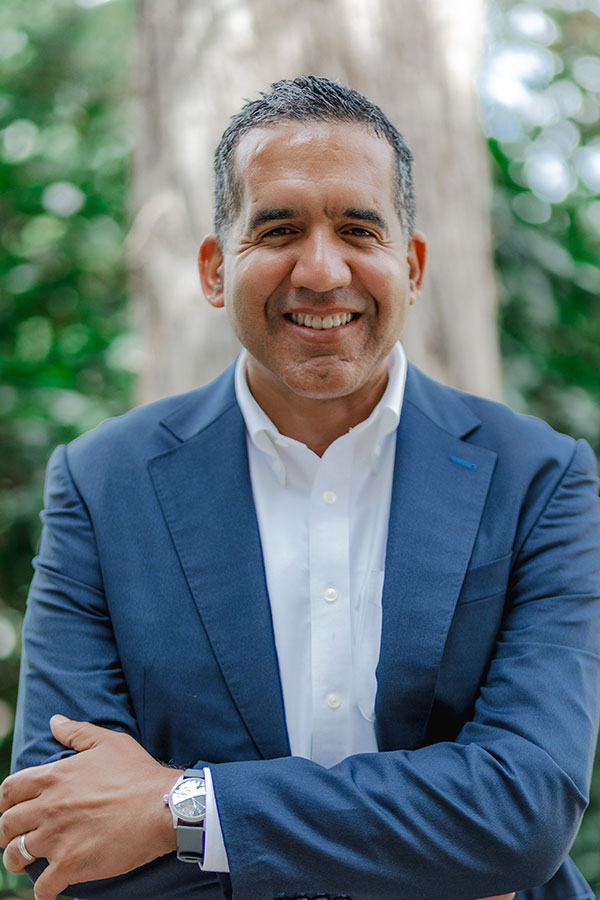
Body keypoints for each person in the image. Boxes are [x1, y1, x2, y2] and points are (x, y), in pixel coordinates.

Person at [0, 75, 599, 900]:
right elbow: (58, 830)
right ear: (215, 269)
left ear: (411, 266)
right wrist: (435, 862)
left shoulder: (542, 478)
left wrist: (180, 808)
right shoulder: (104, 485)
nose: (320, 271)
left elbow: (524, 812)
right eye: (278, 230)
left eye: (359, 228)